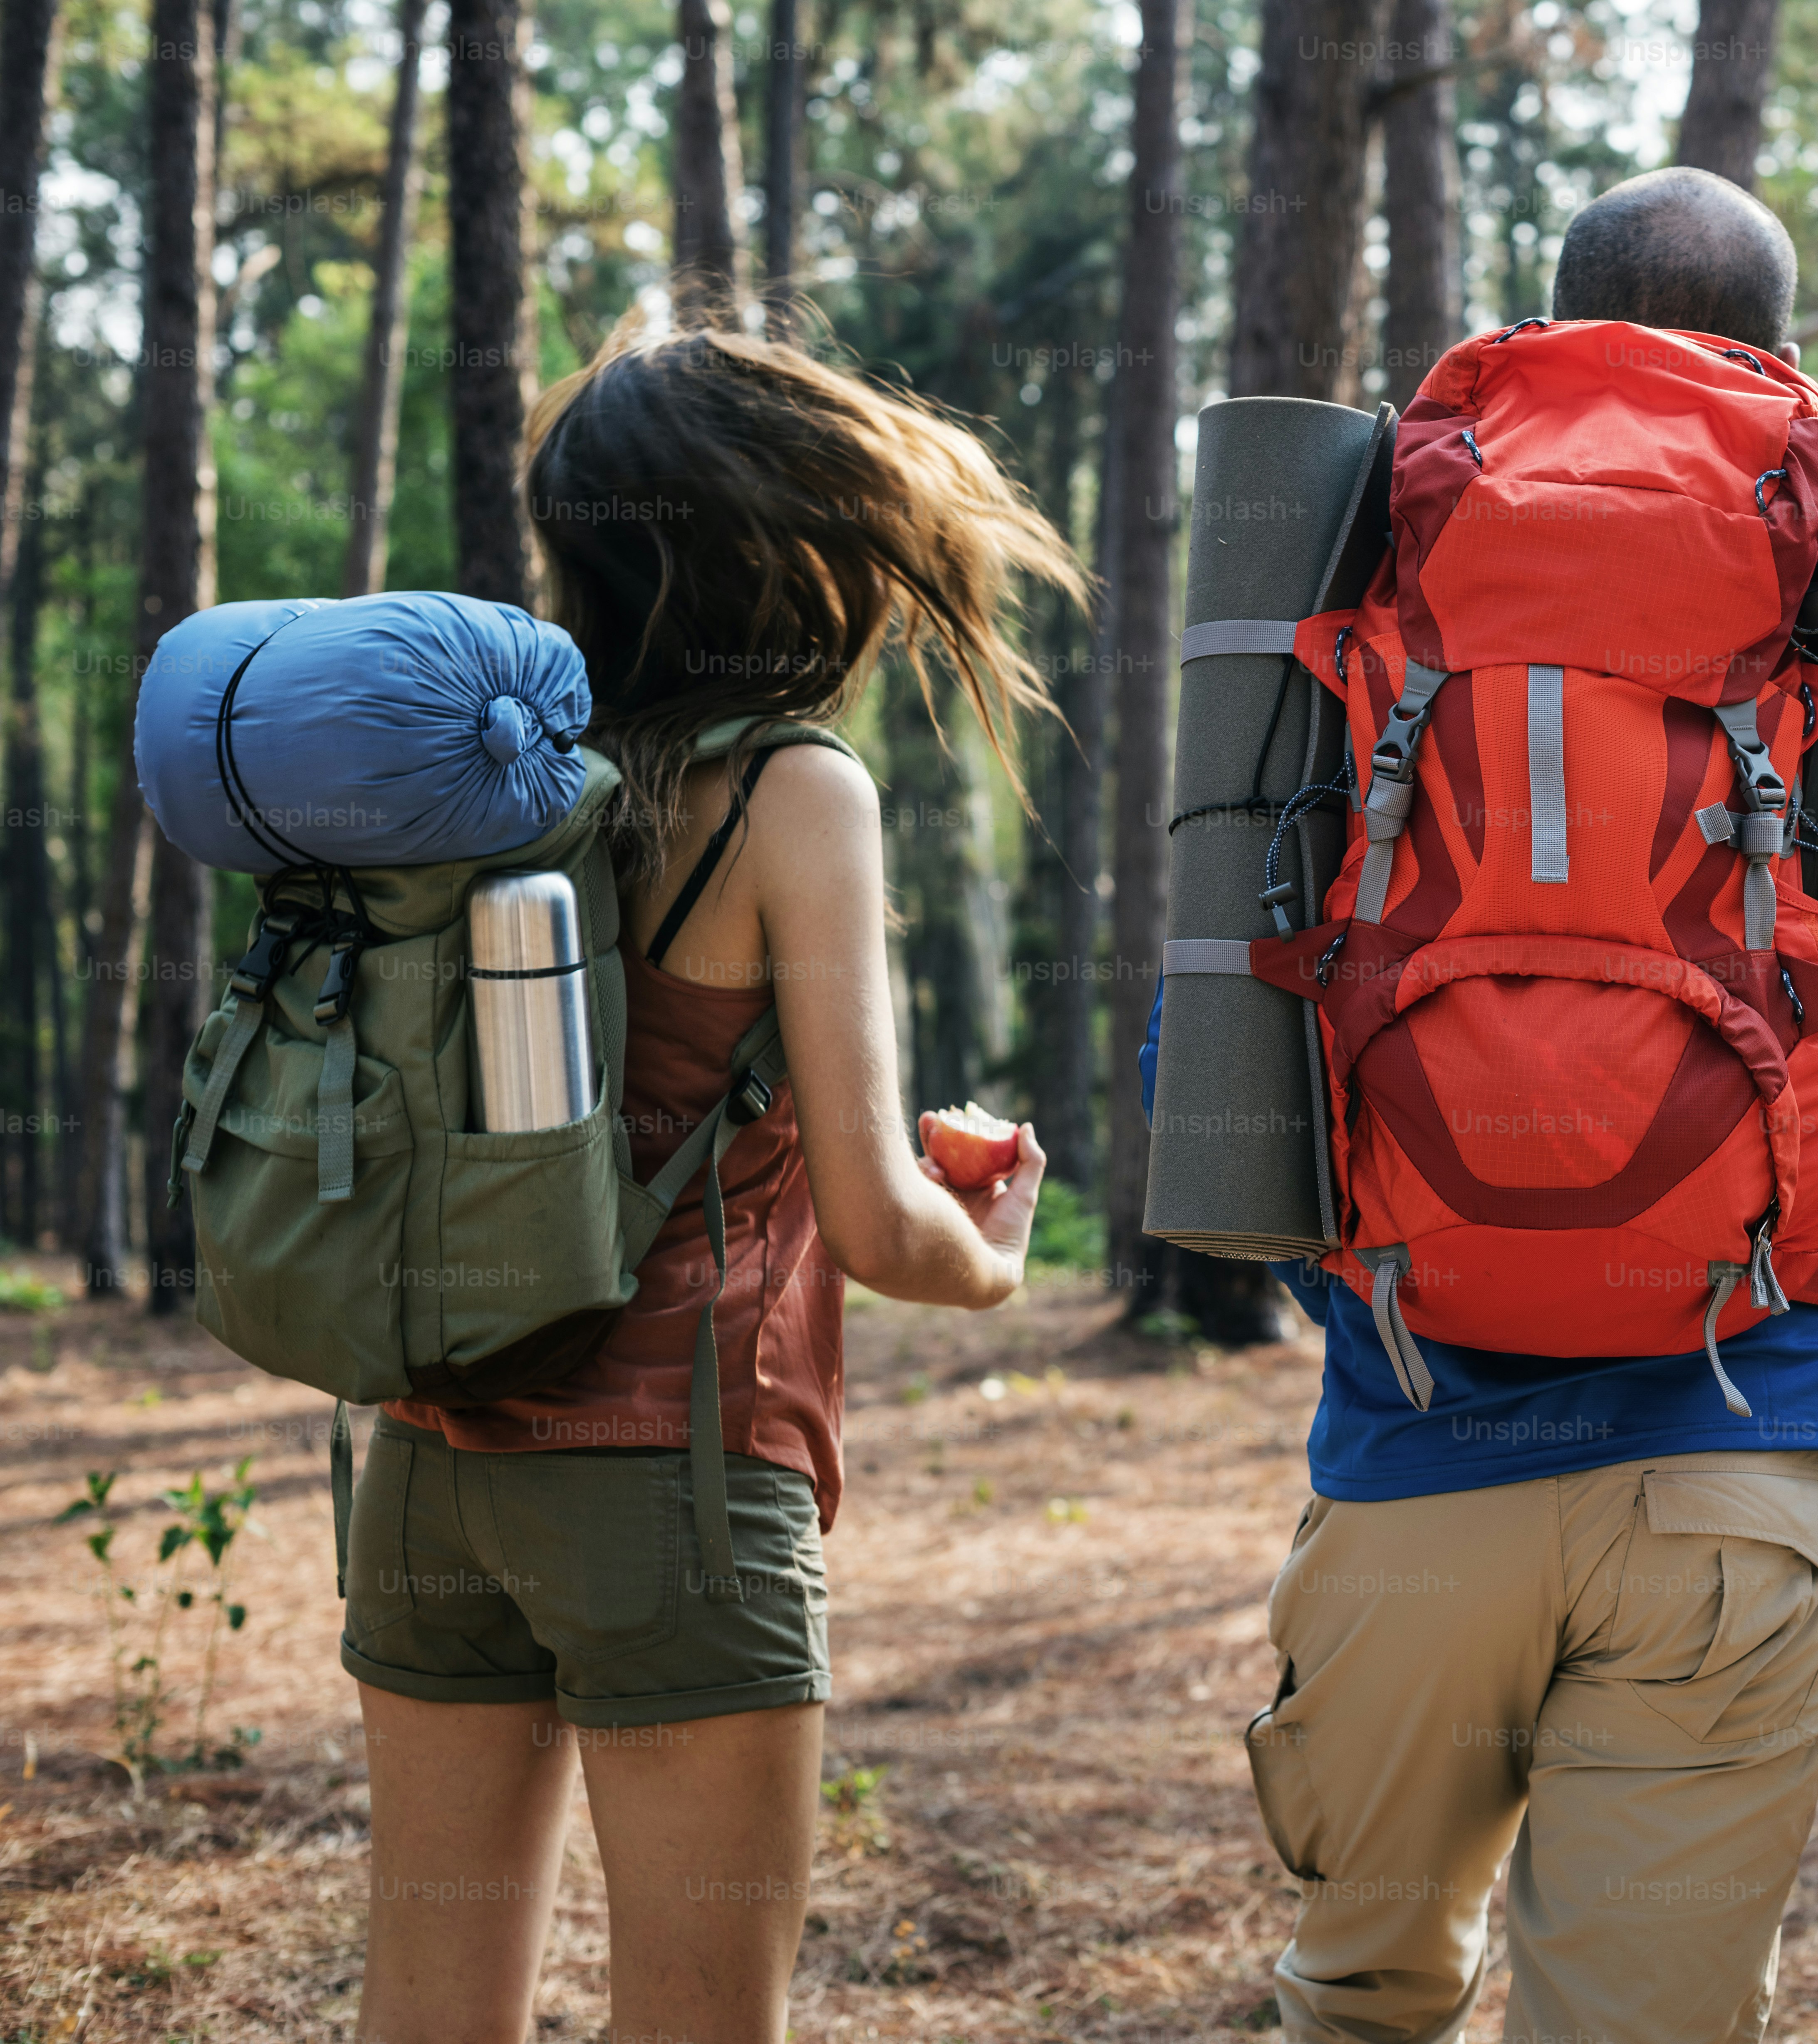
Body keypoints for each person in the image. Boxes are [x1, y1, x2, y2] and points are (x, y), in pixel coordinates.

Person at [1147, 165, 1818, 2042]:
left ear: (1545, 329)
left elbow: (1212, 1041)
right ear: (1785, 379)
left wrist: (1382, 1287)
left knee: (1362, 2005)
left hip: (1408, 1463)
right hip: (1746, 1468)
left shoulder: (1361, 596)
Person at [343, 320, 1072, 2044]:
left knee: (426, 2009)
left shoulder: (482, 774)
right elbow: (887, 1224)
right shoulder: (790, 791)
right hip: (672, 1478)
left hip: (432, 1458)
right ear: (785, 549)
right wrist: (998, 1249)